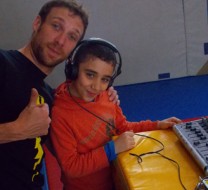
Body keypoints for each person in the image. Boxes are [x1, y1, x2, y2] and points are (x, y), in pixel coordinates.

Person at [0, 1, 120, 189]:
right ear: (37, 23)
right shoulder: (3, 64)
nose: (61, 41)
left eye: (72, 37)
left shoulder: (50, 96)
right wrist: (16, 130)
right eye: (56, 26)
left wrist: (102, 101)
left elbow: (66, 155)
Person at [50, 38, 182, 190]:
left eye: (105, 79)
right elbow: (71, 167)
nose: (96, 86)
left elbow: (123, 127)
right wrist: (112, 149)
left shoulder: (107, 96)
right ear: (72, 70)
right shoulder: (60, 114)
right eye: (90, 75)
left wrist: (157, 124)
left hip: (115, 177)